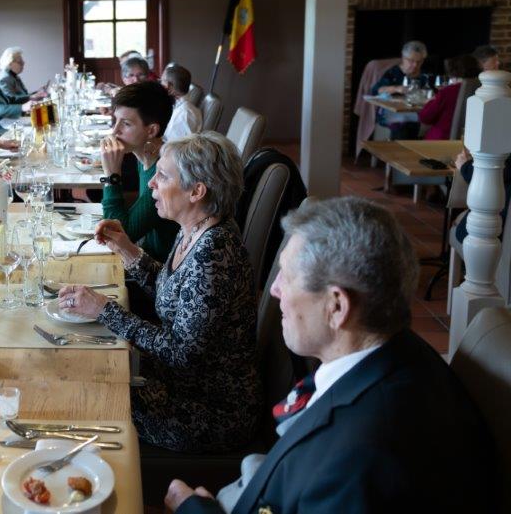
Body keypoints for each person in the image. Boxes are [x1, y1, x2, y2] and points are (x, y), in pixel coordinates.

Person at [165, 197, 498, 514]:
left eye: (286, 276)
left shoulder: (361, 455)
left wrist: (193, 509)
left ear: (337, 306)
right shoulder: (392, 349)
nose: (275, 289)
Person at [60, 132, 259, 452]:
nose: (151, 182)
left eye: (163, 176)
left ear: (197, 191)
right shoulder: (196, 228)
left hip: (206, 407)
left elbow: (181, 353)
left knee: (85, 396)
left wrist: (104, 309)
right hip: (179, 382)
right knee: (77, 366)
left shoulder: (214, 253)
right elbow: (174, 294)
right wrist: (126, 249)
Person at [100, 81, 180, 258]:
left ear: (151, 130)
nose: (114, 131)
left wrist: (111, 176)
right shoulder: (145, 157)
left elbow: (120, 235)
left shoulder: (163, 174)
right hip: (144, 253)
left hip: (157, 267)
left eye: (126, 124)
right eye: (115, 121)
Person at [371, 40, 428, 139]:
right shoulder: (393, 73)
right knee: (403, 125)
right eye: (411, 61)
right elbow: (376, 90)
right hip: (391, 113)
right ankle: (400, 148)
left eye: (419, 62)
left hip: (414, 112)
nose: (415, 65)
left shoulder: (424, 76)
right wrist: (396, 89)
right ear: (403, 58)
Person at [418, 54, 480, 140]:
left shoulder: (448, 91)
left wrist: (431, 101)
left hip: (442, 140)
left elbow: (425, 117)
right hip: (473, 140)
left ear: (453, 71)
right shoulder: (481, 89)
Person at [161, 64, 202, 140]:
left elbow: (176, 146)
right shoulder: (176, 106)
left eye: (161, 81)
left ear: (168, 86)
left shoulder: (184, 115)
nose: (160, 85)